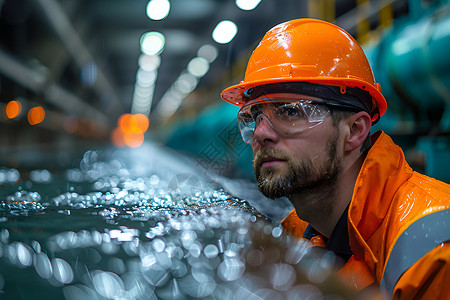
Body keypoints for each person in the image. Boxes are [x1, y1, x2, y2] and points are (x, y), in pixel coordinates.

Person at [220, 18, 450, 299]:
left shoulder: (434, 252)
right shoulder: (295, 232)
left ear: (354, 130)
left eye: (290, 112)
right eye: (255, 116)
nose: (261, 133)